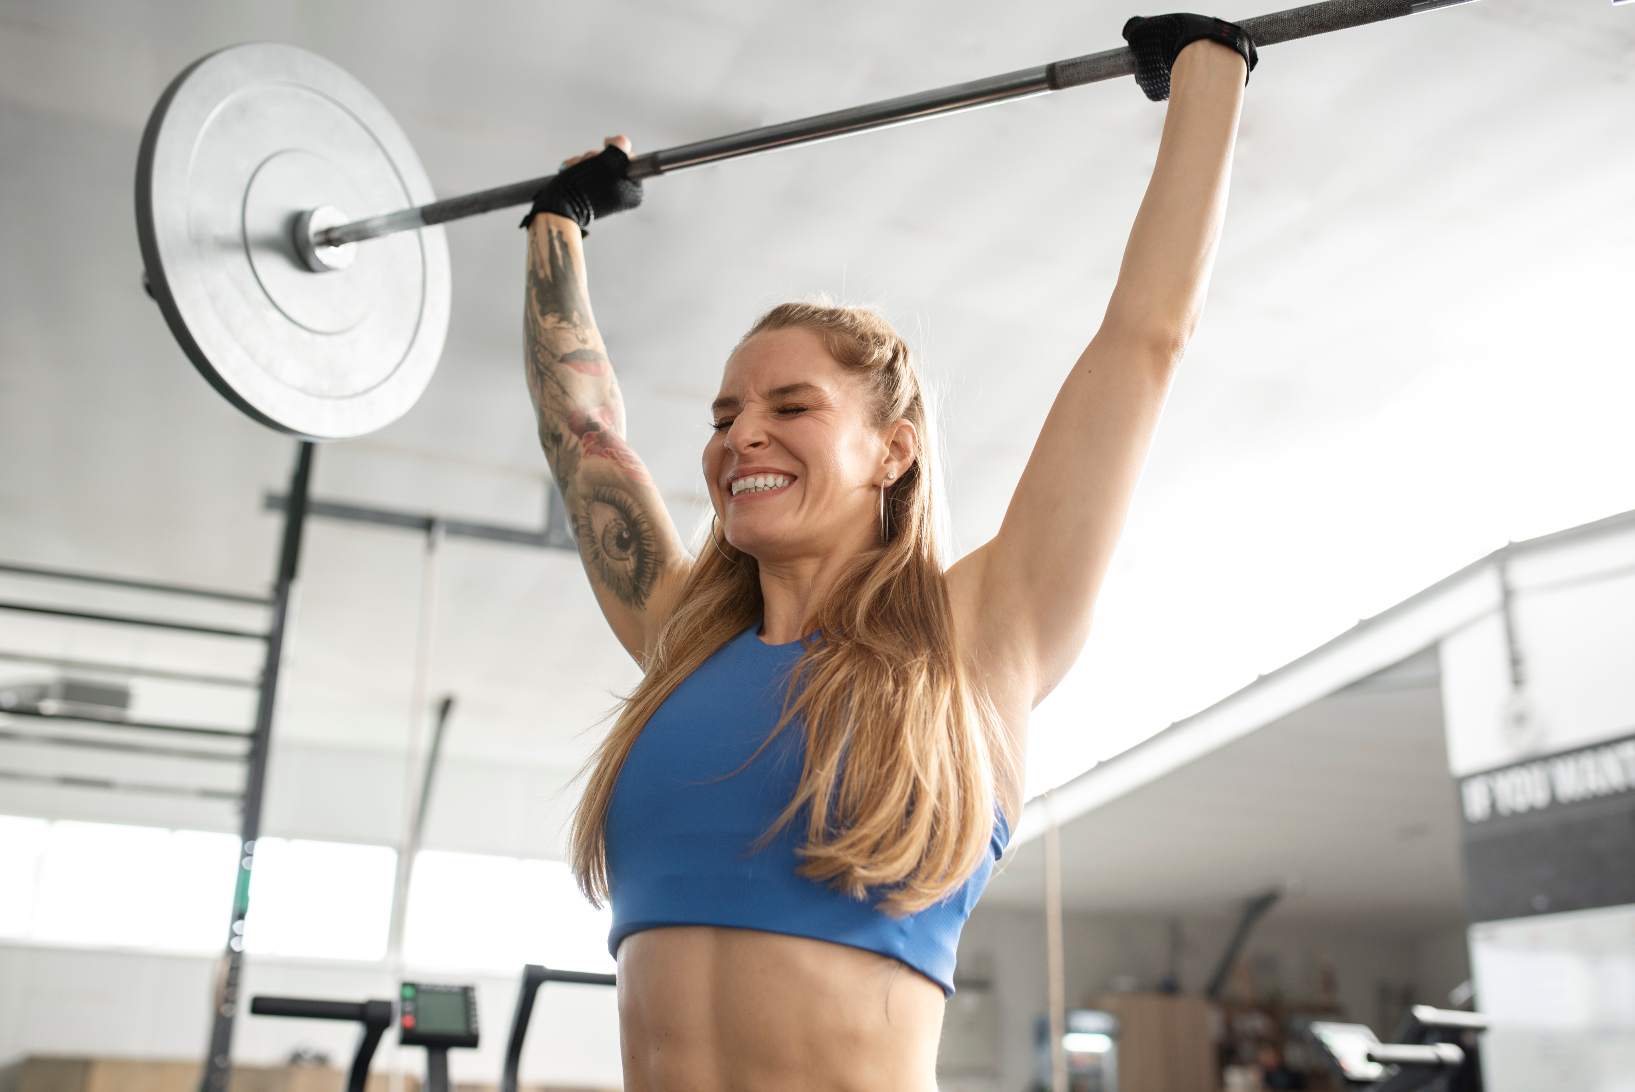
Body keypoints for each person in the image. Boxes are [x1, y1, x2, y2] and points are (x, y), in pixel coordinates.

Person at [519, 14, 1256, 1091]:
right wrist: (558, 224)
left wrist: (1208, 75)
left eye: (789, 405)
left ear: (893, 450)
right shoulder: (682, 640)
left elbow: (1143, 342)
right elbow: (583, 435)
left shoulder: (979, 636)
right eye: (725, 414)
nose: (740, 436)